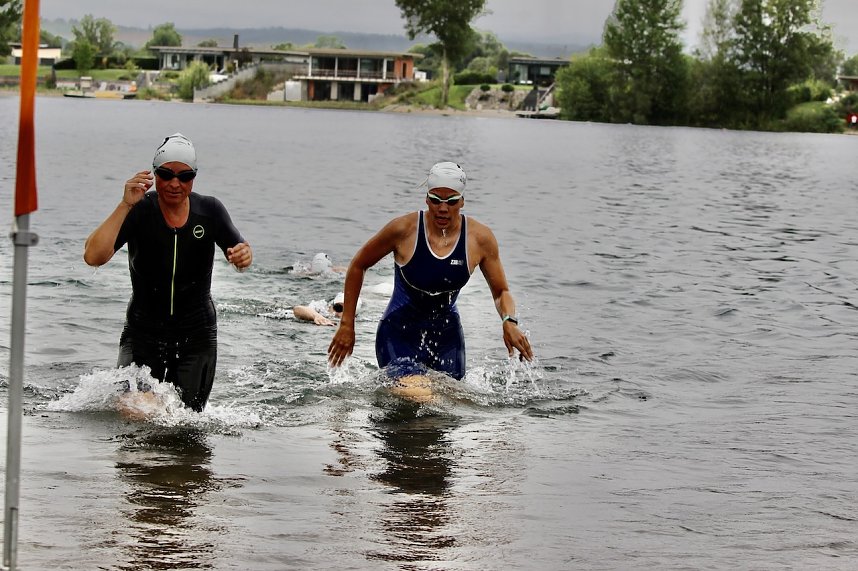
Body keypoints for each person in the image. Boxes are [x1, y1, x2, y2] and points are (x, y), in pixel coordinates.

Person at [83, 133, 253, 412]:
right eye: (166, 175)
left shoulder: (209, 210)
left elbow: (241, 252)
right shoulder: (139, 210)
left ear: (193, 177)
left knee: (185, 421)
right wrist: (125, 205)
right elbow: (93, 256)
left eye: (185, 176)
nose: (175, 184)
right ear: (154, 174)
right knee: (134, 408)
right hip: (142, 334)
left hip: (196, 337)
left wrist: (244, 256)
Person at [327, 161, 533, 384]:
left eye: (451, 201)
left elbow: (501, 292)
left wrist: (509, 321)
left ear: (462, 201)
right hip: (399, 334)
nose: (443, 208)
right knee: (420, 393)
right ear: (426, 199)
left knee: (453, 400)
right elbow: (358, 265)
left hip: (447, 338)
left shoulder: (480, 239)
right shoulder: (403, 230)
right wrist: (347, 324)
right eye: (435, 200)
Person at [294, 292, 362, 326]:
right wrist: (316, 316)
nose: (340, 314)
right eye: (338, 308)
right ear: (331, 306)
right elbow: (297, 309)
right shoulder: (320, 309)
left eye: (347, 312)